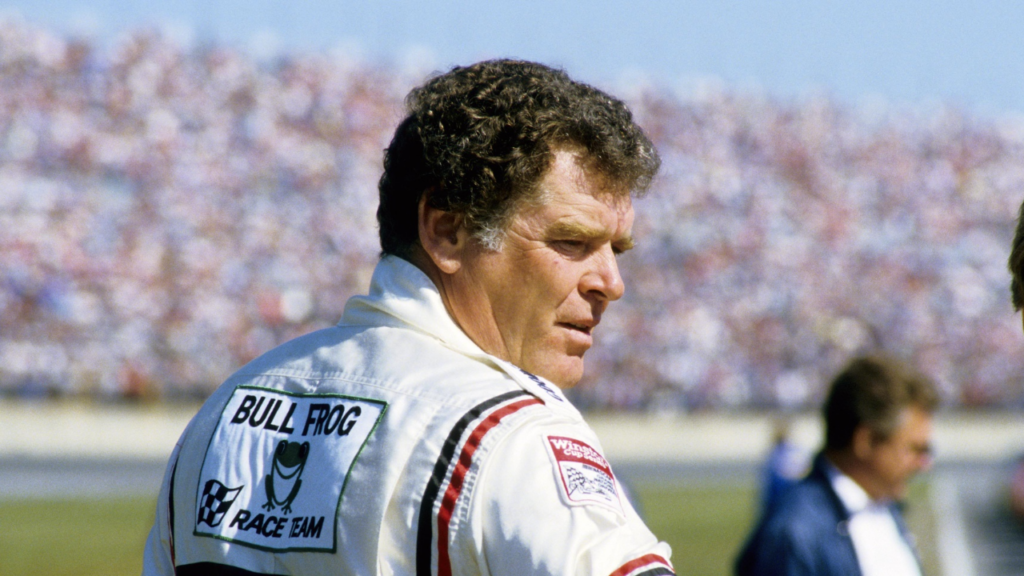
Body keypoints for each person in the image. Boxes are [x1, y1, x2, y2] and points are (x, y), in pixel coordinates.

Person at [142, 59, 676, 576]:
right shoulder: (511, 434)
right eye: (571, 241)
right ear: (446, 231)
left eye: (617, 250)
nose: (611, 283)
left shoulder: (221, 417)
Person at [734, 356, 938, 576]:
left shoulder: (882, 506)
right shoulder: (795, 532)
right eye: (915, 449)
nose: (924, 464)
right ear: (866, 442)